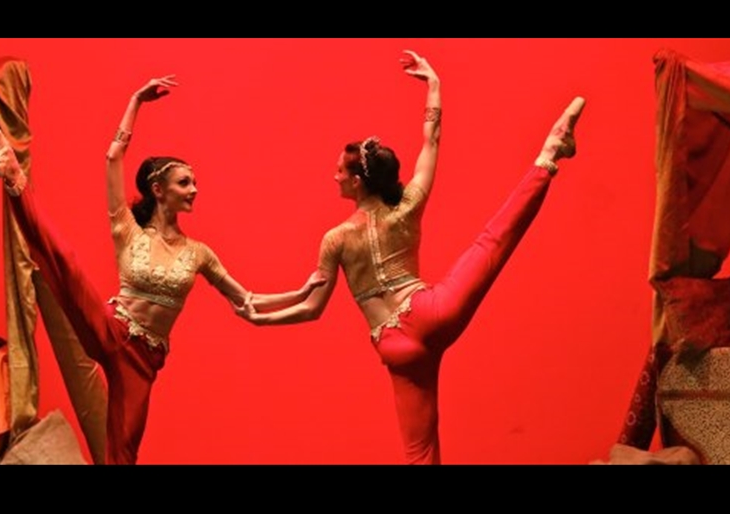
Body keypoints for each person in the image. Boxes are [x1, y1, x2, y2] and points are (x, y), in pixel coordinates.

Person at [234, 51, 586, 465]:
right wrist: (434, 85)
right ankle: (548, 155)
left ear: (357, 181)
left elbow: (312, 308)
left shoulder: (335, 239)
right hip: (431, 312)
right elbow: (431, 141)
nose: (334, 176)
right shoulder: (406, 208)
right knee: (491, 242)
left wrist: (262, 318)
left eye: (340, 172)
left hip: (394, 346)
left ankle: (550, 153)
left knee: (419, 454)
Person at [0, 76, 322, 465]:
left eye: (194, 183)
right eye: (185, 183)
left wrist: (302, 292)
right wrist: (135, 101)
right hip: (111, 328)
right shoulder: (128, 229)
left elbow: (247, 301)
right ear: (159, 190)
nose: (194, 190)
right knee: (65, 262)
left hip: (142, 360)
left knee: (124, 453)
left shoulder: (199, 254)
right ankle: (11, 171)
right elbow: (113, 158)